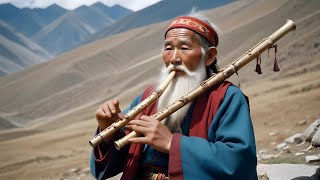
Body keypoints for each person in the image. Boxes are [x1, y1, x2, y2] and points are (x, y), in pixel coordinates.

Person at [90, 11, 257, 180]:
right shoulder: (148, 97)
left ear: (209, 56)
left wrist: (172, 143)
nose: (174, 58)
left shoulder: (226, 97)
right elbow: (122, 154)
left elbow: (239, 161)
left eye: (184, 48)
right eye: (168, 48)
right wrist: (108, 132)